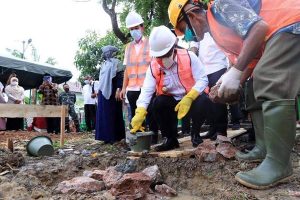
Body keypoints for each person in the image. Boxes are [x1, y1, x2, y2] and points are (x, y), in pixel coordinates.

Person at [168, 0, 300, 189]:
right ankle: (264, 148)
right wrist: (232, 79)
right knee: (253, 87)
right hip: (275, 33)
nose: (188, 36)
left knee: (268, 76)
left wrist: (236, 71)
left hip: (289, 21)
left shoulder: (219, 6)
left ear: (192, 16)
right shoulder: (217, 33)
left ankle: (279, 164)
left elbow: (259, 28)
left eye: (184, 29)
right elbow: (253, 57)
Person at [131, 25, 210, 151]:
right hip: (172, 103)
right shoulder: (153, 66)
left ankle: (195, 134)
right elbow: (146, 90)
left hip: (190, 100)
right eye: (159, 56)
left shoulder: (189, 56)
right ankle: (170, 138)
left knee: (204, 100)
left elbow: (203, 79)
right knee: (157, 103)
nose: (163, 59)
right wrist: (140, 110)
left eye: (166, 54)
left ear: (173, 47)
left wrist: (190, 97)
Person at [119, 11, 159, 143]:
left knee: (151, 113)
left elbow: (155, 66)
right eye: (131, 29)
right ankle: (140, 140)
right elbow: (126, 69)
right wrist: (124, 88)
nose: (134, 31)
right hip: (132, 88)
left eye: (136, 28)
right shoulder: (128, 47)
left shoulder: (150, 43)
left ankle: (153, 137)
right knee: (136, 116)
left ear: (142, 27)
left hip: (147, 86)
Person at [189, 33, 228, 140]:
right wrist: (192, 55)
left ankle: (221, 131)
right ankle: (213, 128)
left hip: (218, 65)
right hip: (203, 68)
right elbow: (194, 43)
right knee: (207, 101)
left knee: (217, 99)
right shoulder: (198, 27)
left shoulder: (216, 24)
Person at [95, 45, 125, 143]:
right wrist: (99, 91)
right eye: (105, 52)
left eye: (107, 52)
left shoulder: (118, 63)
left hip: (113, 91)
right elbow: (101, 79)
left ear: (111, 52)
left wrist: (118, 88)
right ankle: (105, 137)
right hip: (103, 92)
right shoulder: (104, 64)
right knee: (103, 114)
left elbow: (120, 76)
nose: (105, 54)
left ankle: (115, 137)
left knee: (113, 113)